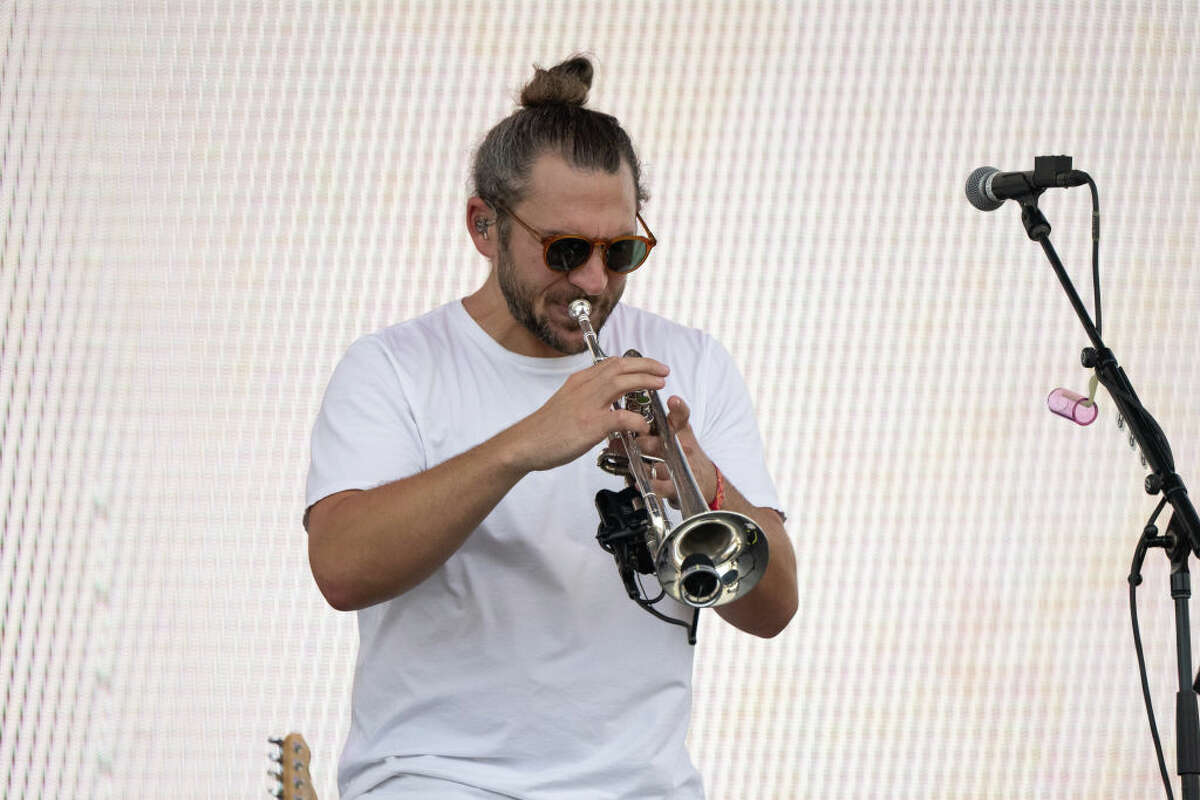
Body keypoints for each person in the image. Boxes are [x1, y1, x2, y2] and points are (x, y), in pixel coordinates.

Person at [304, 55, 798, 800]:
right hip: (435, 781)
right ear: (484, 225)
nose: (595, 284)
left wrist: (705, 482)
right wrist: (524, 444)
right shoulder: (394, 368)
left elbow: (774, 610)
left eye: (621, 251)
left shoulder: (690, 360)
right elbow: (341, 569)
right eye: (565, 251)